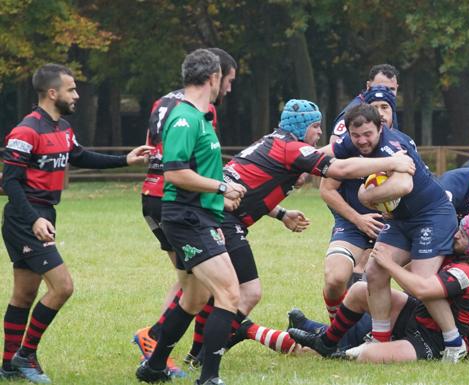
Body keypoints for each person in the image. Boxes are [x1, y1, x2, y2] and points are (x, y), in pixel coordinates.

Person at [135, 97, 417, 374]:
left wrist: (281, 214)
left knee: (204, 291)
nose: (319, 132)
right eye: (316, 126)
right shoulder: (290, 148)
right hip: (223, 220)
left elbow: (248, 186)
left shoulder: (274, 142)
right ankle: (192, 354)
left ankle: (186, 351)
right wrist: (390, 163)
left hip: (215, 215)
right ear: (303, 127)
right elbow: (340, 167)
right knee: (244, 293)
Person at [1, 63, 151, 383]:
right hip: (24, 218)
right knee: (63, 287)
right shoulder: (25, 131)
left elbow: (80, 156)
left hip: (42, 215)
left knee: (24, 295)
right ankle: (25, 354)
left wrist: (125, 159)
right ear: (52, 93)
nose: (77, 95)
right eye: (71, 89)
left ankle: (7, 365)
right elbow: (10, 184)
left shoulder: (62, 128)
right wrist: (35, 220)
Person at [134, 48, 247, 385]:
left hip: (200, 215)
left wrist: (218, 193)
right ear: (213, 77)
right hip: (187, 217)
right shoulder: (184, 119)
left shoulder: (200, 117)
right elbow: (175, 173)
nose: (227, 88)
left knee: (196, 298)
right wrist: (220, 187)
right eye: (226, 81)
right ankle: (208, 378)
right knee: (229, 293)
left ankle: (153, 367)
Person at [329, 103, 464, 362]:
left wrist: (365, 196)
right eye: (356, 136)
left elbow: (403, 184)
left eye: (368, 134)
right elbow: (326, 158)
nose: (362, 141)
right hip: (401, 218)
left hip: (431, 215)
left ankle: (454, 343)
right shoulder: (352, 142)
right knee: (374, 270)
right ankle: (380, 339)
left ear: (381, 127)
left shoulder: (393, 147)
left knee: (423, 283)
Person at [289, 211, 469, 363]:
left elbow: (423, 290)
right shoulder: (455, 249)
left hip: (434, 339)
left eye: (465, 235)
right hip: (417, 315)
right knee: (359, 290)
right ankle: (327, 341)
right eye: (461, 229)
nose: (457, 234)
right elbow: (413, 275)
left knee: (367, 356)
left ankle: (334, 349)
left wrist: (388, 264)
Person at [319, 85, 408, 321]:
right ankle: (337, 327)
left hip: (394, 225)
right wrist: (358, 219)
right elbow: (327, 190)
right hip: (352, 223)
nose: (380, 112)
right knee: (335, 278)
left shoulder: (403, 146)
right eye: (375, 107)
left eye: (384, 107)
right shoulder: (347, 147)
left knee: (415, 278)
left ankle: (409, 329)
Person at [329, 64, 399, 143]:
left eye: (391, 89)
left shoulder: (389, 107)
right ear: (368, 86)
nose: (386, 92)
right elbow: (334, 142)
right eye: (380, 87)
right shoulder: (353, 111)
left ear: (397, 88)